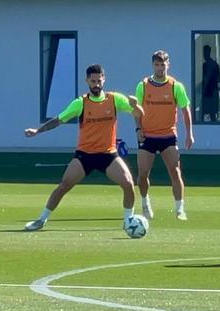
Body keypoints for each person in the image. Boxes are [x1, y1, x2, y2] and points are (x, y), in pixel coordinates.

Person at [24, 64, 144, 231]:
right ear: (87, 81)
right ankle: (41, 219)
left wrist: (135, 105)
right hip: (84, 156)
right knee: (64, 185)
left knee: (129, 183)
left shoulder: (115, 99)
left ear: (104, 80)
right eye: (93, 81)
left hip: (108, 155)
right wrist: (38, 131)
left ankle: (128, 221)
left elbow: (139, 114)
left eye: (99, 81)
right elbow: (59, 120)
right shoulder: (80, 103)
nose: (96, 84)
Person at [135, 50, 194, 221]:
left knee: (175, 171)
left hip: (168, 135)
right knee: (143, 173)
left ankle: (180, 208)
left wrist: (189, 134)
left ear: (168, 65)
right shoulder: (143, 85)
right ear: (152, 65)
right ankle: (145, 203)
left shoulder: (176, 86)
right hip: (148, 136)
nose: (160, 68)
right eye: (157, 64)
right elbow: (137, 110)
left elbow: (185, 110)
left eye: (163, 65)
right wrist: (138, 129)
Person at [200, 45, 220, 123]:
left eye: (206, 52)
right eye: (204, 53)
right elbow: (219, 79)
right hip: (211, 91)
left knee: (205, 113)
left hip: (209, 92)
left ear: (209, 52)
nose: (205, 55)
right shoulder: (214, 64)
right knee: (210, 114)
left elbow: (206, 79)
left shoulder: (207, 65)